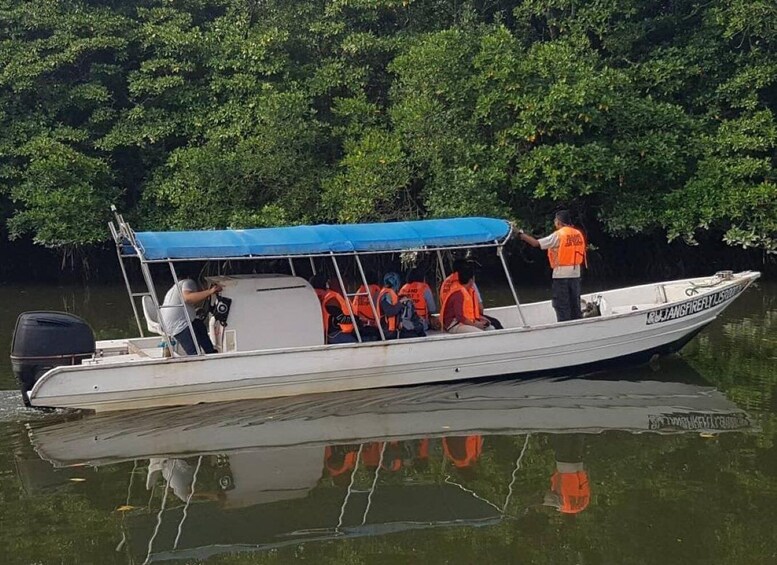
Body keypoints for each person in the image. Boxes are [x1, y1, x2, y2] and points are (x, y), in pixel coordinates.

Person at [518, 209, 586, 322]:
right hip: (575, 273)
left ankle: (564, 329)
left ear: (559, 222)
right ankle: (577, 325)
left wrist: (520, 234)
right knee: (575, 304)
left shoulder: (559, 235)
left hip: (561, 275)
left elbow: (536, 243)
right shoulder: (578, 234)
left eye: (555, 221)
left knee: (562, 305)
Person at [160, 277, 221, 355]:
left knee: (198, 325)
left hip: (167, 322)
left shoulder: (176, 286)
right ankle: (195, 357)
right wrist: (210, 291)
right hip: (178, 325)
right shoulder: (189, 282)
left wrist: (194, 312)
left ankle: (210, 352)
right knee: (194, 353)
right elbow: (188, 298)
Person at [439, 259, 503, 330]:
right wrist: (477, 324)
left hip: (464, 319)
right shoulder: (459, 292)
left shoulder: (447, 282)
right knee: (493, 324)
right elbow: (461, 316)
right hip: (455, 322)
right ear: (471, 280)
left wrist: (480, 319)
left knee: (489, 326)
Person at [310, 273, 358, 344]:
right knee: (357, 344)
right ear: (326, 284)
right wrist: (356, 319)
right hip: (336, 334)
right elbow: (341, 319)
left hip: (322, 334)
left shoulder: (311, 297)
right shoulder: (331, 299)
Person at [378, 272, 425, 339]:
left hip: (391, 330)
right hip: (389, 332)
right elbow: (390, 312)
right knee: (417, 333)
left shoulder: (388, 293)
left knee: (419, 329)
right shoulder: (385, 296)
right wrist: (401, 303)